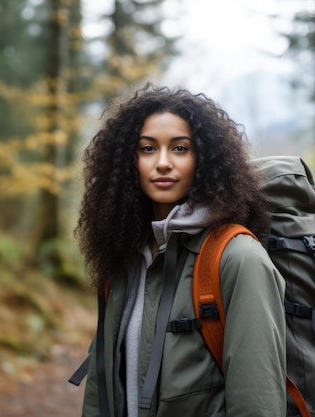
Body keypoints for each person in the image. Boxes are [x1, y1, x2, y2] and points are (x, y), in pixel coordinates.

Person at [75, 83, 286, 417]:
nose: (162, 163)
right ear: (130, 161)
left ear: (203, 159)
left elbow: (257, 401)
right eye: (147, 149)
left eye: (179, 149)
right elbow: (100, 388)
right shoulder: (124, 260)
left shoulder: (237, 257)